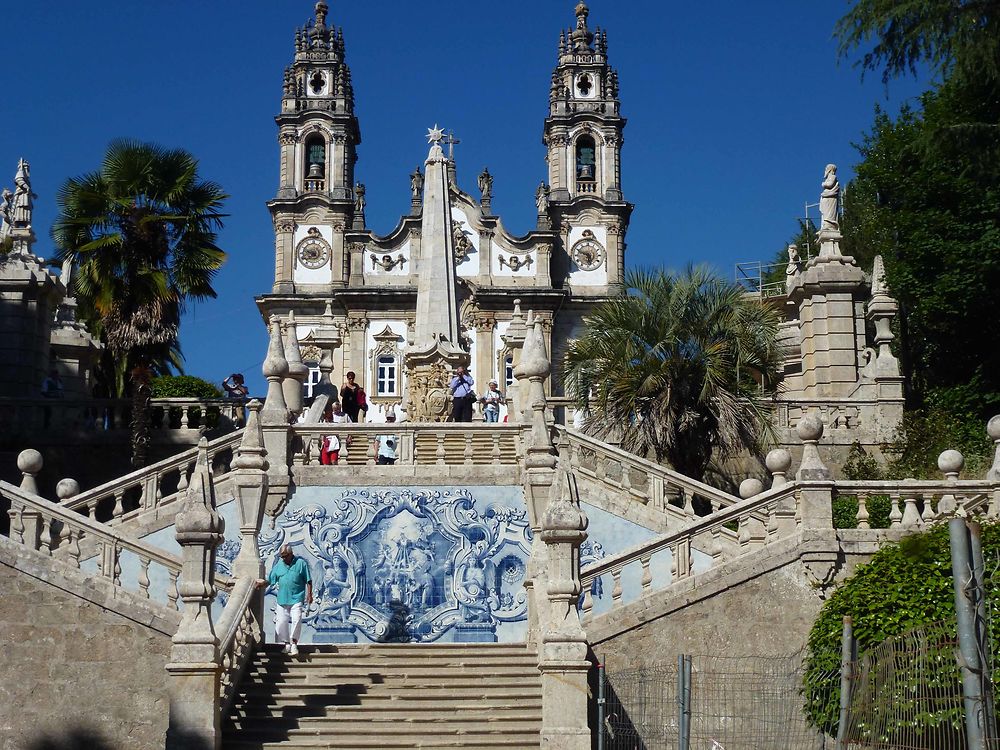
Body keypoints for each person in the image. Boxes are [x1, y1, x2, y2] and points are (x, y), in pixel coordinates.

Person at [257, 544, 312, 656]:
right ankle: (287, 644)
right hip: (282, 599)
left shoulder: (301, 564)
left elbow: (308, 580)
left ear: (291, 554)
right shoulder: (279, 565)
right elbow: (271, 579)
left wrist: (309, 594)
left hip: (297, 598)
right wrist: (263, 583)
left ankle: (294, 644)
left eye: (285, 556)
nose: (283, 559)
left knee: (297, 619)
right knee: (281, 623)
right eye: (282, 556)